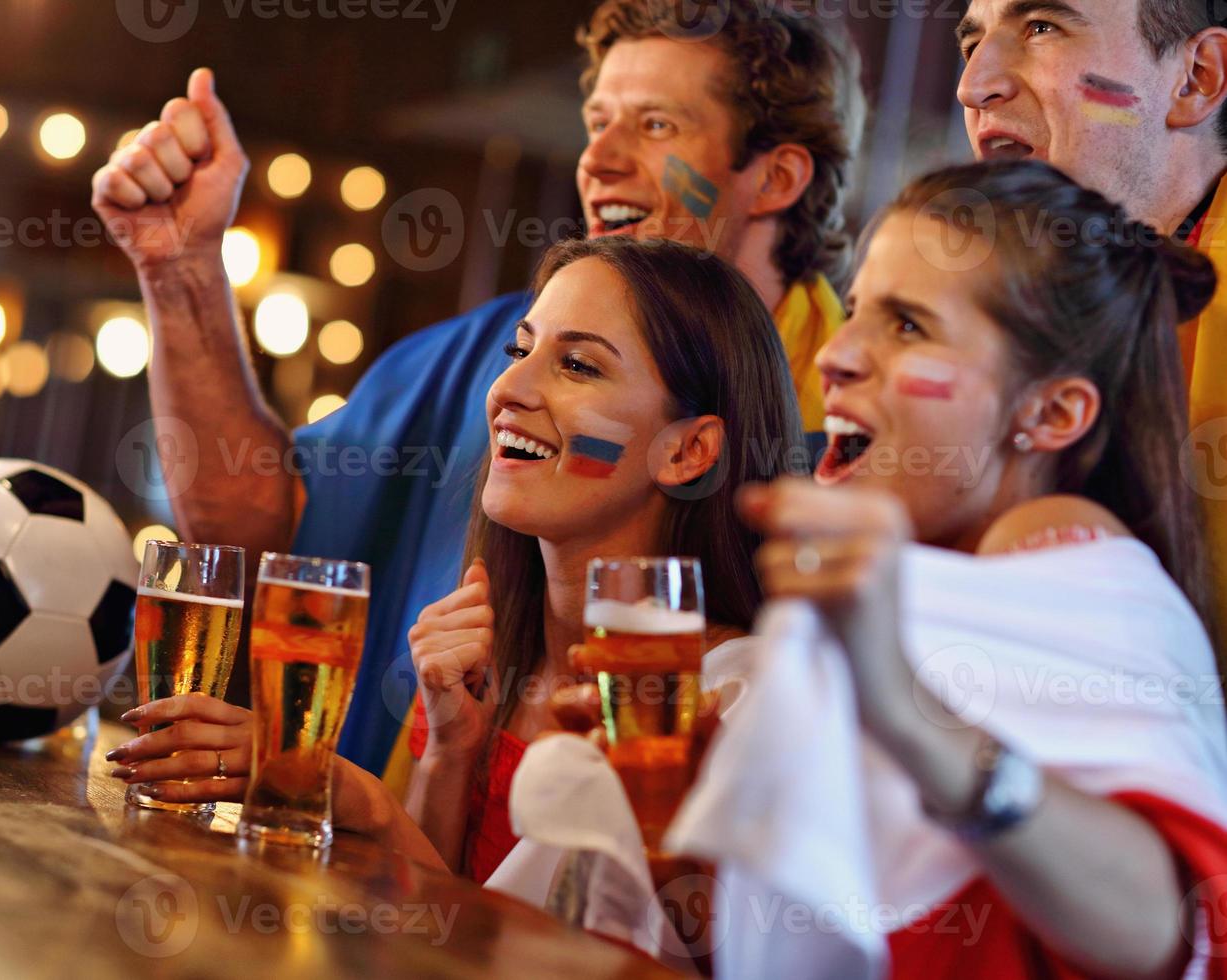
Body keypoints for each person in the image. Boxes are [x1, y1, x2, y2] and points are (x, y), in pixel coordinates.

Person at [89, 0, 863, 779]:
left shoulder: (855, 427)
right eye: (598, 121)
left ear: (776, 176)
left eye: (657, 125)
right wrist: (181, 266)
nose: (598, 160)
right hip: (375, 872)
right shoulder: (488, 356)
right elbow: (261, 527)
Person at [104, 235, 804, 886]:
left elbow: (571, 949)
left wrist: (352, 796)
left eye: (578, 365)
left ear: (688, 452)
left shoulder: (725, 701)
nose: (508, 391)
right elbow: (430, 929)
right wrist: (448, 753)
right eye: (519, 350)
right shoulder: (486, 653)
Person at [682, 160, 1227, 978]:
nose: (834, 355)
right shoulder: (905, 587)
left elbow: (1168, 923)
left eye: (907, 327)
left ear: (1050, 413)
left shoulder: (1075, 560)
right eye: (858, 309)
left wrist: (904, 706)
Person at [954, 0, 1227, 644]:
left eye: (1042, 28)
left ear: (1196, 80)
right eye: (971, 43)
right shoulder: (1007, 296)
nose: (973, 84)